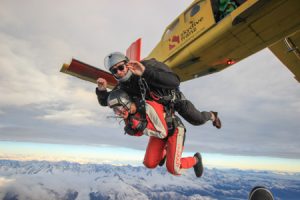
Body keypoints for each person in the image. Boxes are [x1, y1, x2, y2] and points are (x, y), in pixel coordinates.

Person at [96, 52, 221, 130]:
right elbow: (109, 101)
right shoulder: (123, 85)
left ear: (127, 64)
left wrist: (145, 72)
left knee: (197, 119)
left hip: (173, 100)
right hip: (156, 110)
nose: (119, 72)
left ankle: (212, 115)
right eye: (114, 71)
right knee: (143, 124)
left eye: (121, 67)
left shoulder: (148, 65)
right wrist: (101, 90)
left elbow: (175, 81)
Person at [107, 89, 204, 177]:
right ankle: (165, 151)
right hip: (157, 131)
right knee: (149, 163)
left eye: (118, 108)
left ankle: (196, 159)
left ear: (125, 102)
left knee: (174, 169)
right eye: (115, 110)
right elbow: (141, 132)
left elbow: (162, 133)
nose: (118, 112)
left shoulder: (148, 107)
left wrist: (140, 126)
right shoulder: (128, 115)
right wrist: (133, 131)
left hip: (174, 130)